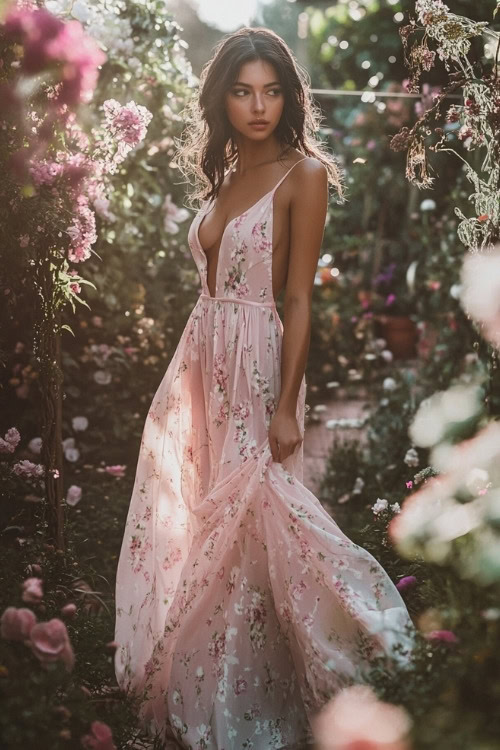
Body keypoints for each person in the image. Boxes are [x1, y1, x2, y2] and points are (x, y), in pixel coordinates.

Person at [114, 26, 415, 750]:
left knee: (262, 506)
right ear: (223, 97)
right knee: (209, 518)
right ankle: (214, 672)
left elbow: (300, 298)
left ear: (290, 97)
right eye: (245, 91)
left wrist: (286, 404)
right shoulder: (222, 179)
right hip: (200, 354)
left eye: (273, 91)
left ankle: (365, 640)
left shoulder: (300, 174)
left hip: (255, 356)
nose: (259, 106)